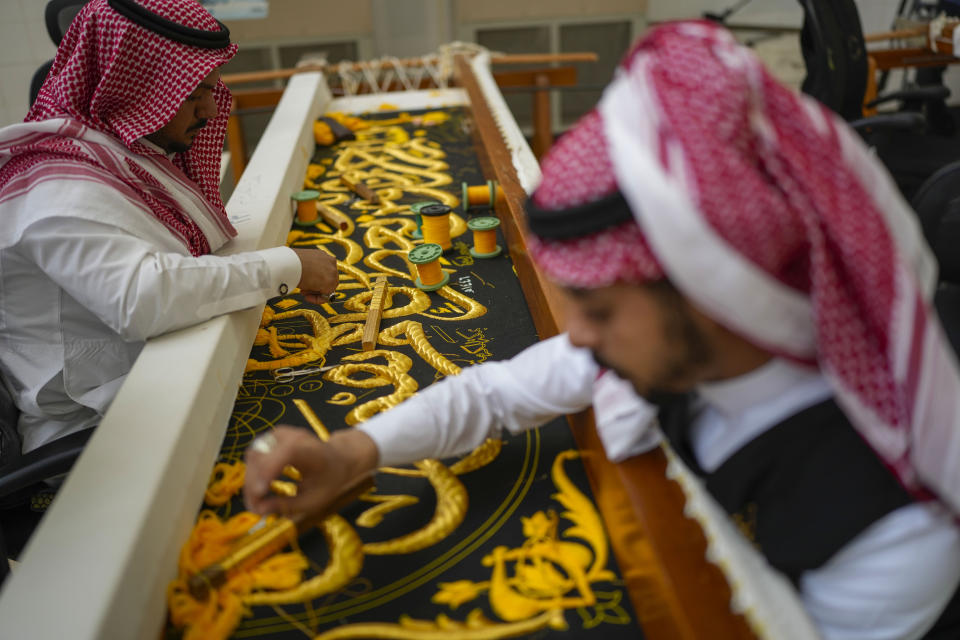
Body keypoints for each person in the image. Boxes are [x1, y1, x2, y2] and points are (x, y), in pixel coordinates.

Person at [244, 22, 960, 639]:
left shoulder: (897, 533)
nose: (576, 336)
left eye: (601, 309)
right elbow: (498, 393)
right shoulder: (669, 345)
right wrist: (353, 450)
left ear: (712, 291)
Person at [0, 0, 338, 457]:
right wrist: (289, 266)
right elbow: (145, 298)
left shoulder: (124, 149)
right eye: (192, 91)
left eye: (210, 89)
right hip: (102, 428)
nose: (207, 110)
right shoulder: (56, 185)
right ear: (135, 86)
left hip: (166, 373)